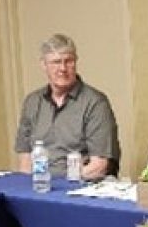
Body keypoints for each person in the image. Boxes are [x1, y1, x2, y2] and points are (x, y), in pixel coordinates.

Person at [15, 33, 120, 179]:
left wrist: (59, 186)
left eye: (68, 61)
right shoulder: (32, 102)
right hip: (39, 187)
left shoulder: (95, 103)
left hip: (79, 187)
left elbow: (99, 166)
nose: (63, 68)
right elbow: (25, 161)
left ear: (76, 62)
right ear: (44, 65)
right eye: (56, 62)